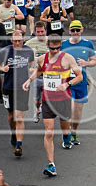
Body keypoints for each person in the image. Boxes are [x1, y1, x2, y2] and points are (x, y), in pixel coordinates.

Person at [22, 34, 82, 176]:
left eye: (57, 48)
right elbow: (39, 71)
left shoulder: (68, 58)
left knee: (64, 125)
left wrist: (67, 84)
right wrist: (29, 81)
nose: (55, 51)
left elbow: (79, 77)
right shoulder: (43, 59)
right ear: (48, 46)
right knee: (49, 131)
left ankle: (66, 136)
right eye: (52, 48)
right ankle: (51, 164)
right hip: (48, 99)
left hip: (63, 99)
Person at [0, 30, 35, 157]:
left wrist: (32, 70)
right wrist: (2, 68)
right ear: (11, 40)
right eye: (15, 40)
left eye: (19, 40)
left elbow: (32, 64)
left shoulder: (29, 51)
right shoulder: (5, 51)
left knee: (19, 117)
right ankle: (13, 132)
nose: (17, 43)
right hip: (8, 87)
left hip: (22, 88)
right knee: (11, 116)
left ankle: (19, 144)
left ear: (23, 39)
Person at [60, 20, 96, 145]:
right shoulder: (63, 44)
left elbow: (94, 60)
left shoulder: (88, 44)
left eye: (77, 30)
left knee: (78, 111)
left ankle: (74, 131)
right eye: (73, 30)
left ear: (81, 30)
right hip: (67, 82)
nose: (75, 32)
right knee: (69, 109)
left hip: (81, 83)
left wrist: (86, 63)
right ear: (69, 31)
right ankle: (67, 134)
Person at [25, 21, 49, 122]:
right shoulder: (29, 43)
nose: (40, 34)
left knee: (48, 96)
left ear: (46, 31)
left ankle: (46, 113)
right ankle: (37, 108)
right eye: (38, 32)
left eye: (42, 31)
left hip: (49, 75)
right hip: (35, 74)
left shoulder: (51, 41)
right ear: (35, 31)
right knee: (36, 98)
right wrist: (28, 68)